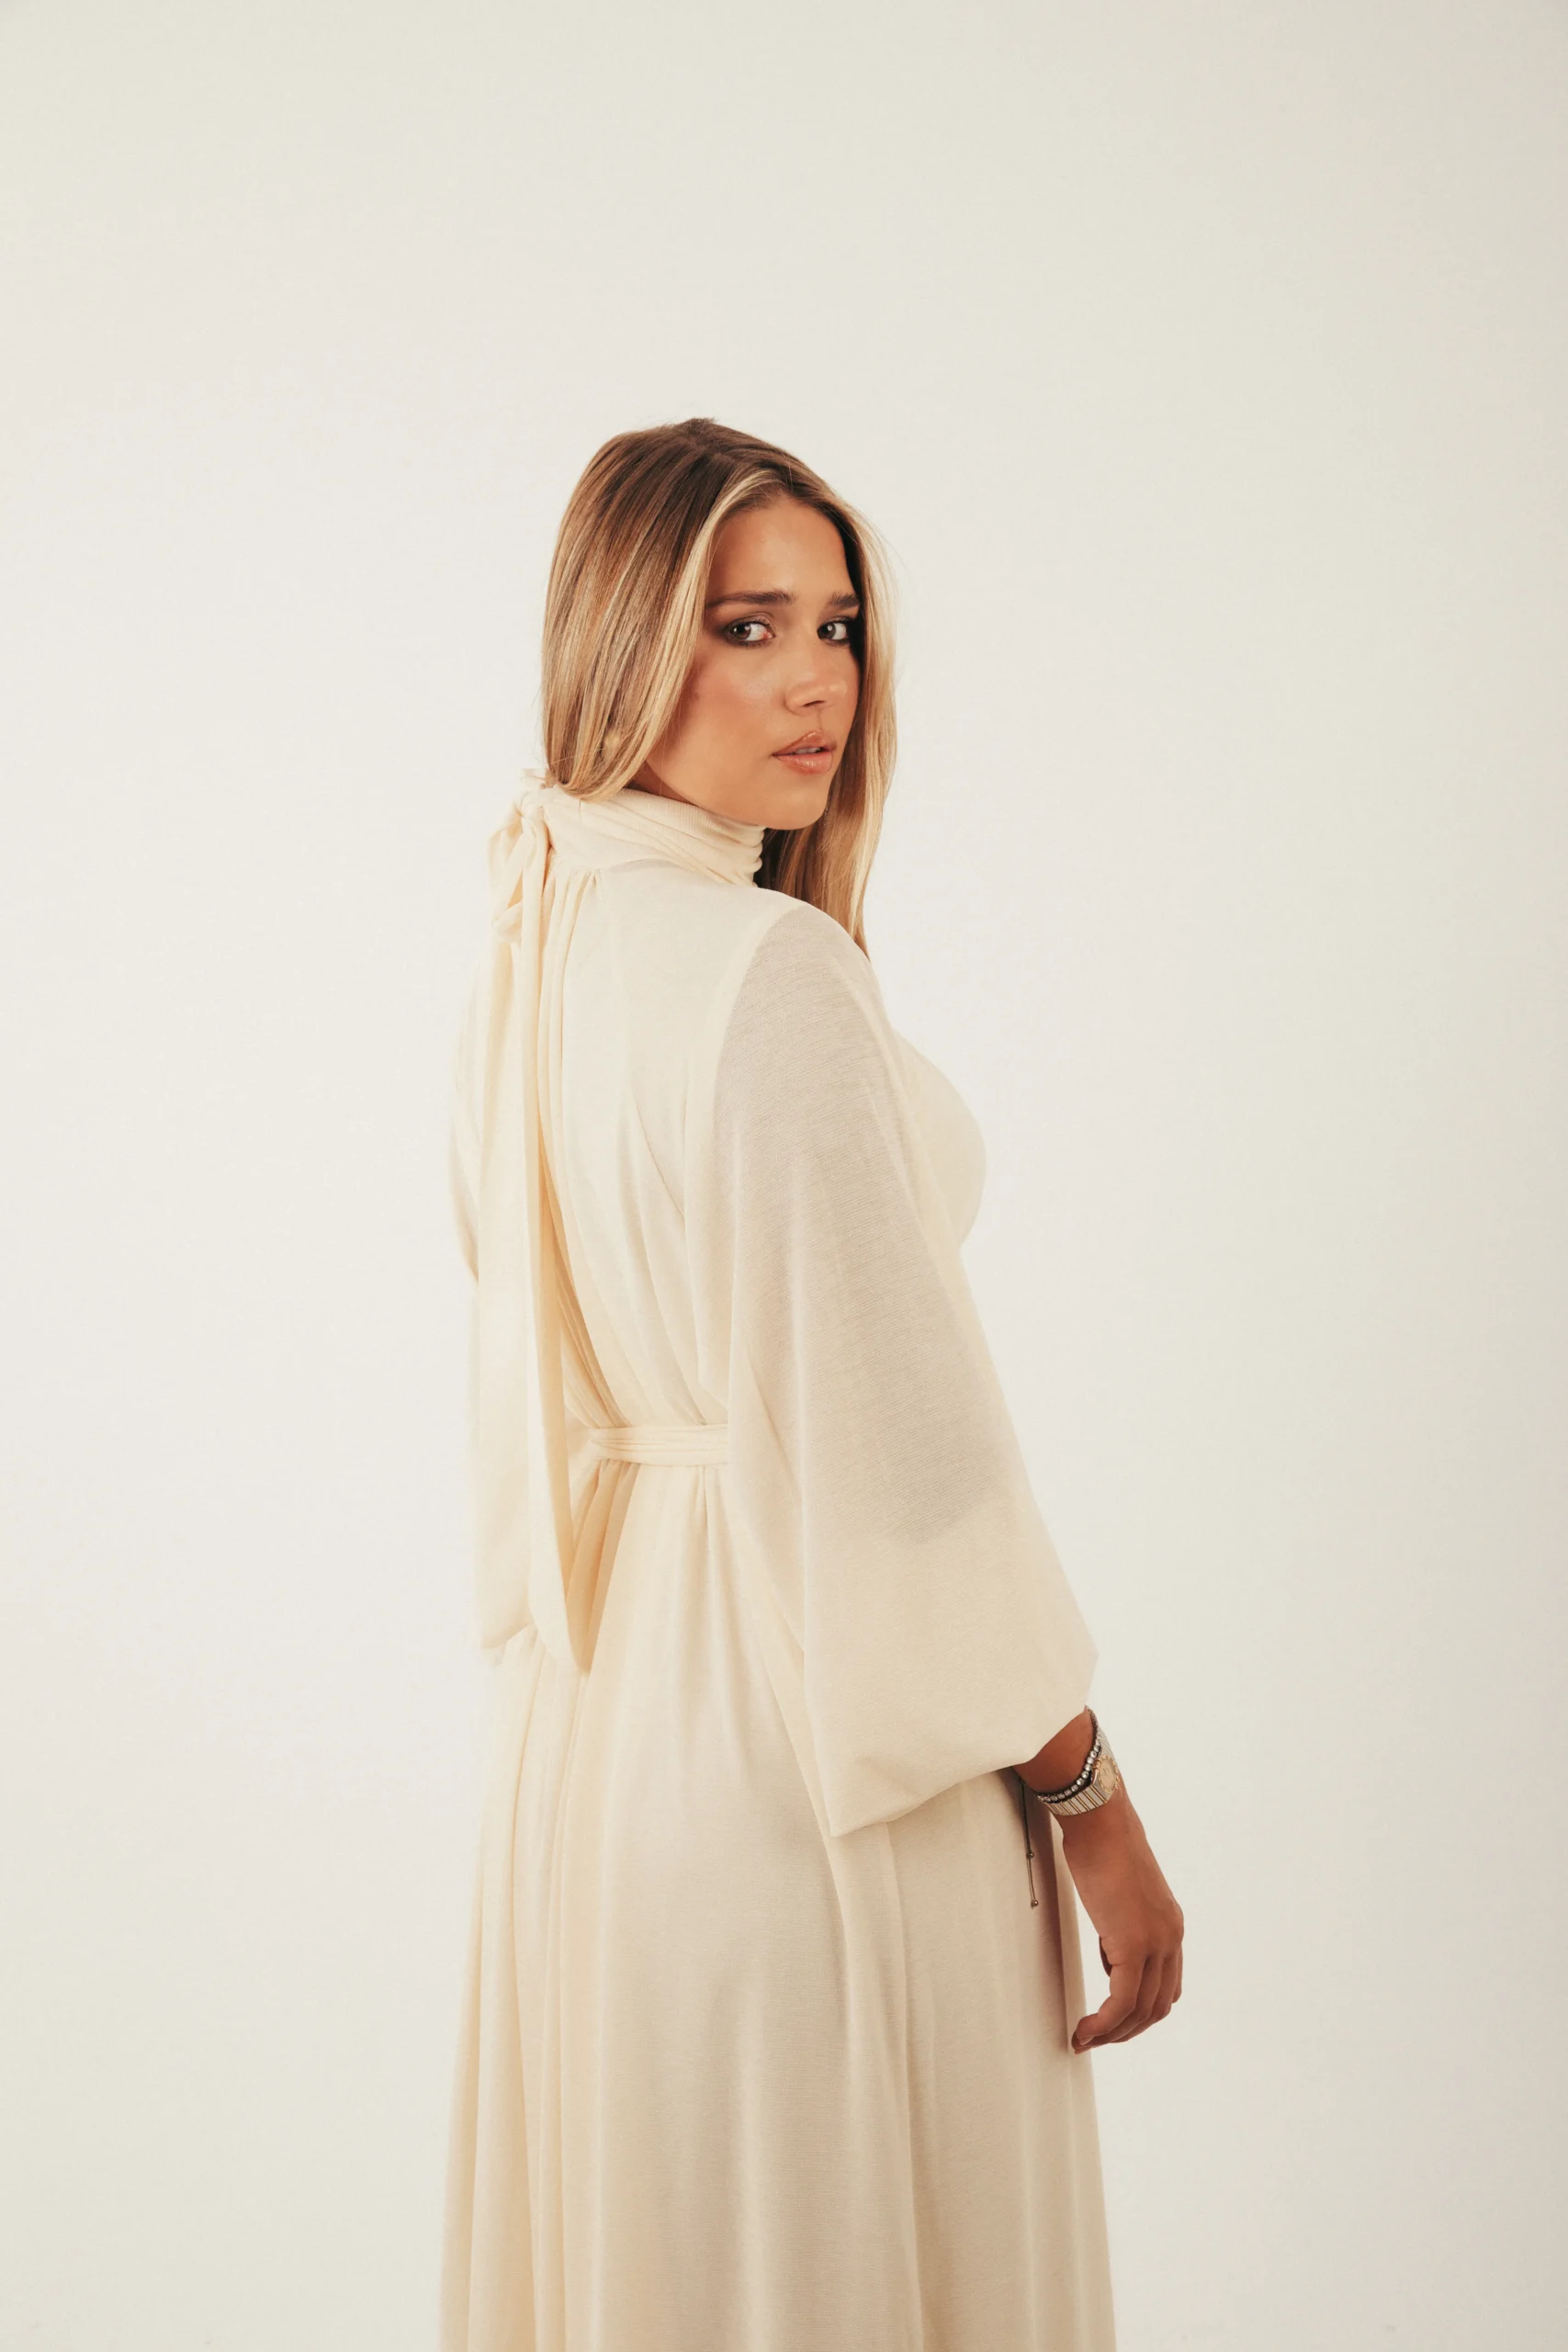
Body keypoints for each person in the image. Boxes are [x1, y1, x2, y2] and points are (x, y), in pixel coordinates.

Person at [440, 416, 1183, 2352]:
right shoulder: (763, 972)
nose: (813, 681)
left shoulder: (536, 948)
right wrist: (1090, 1797)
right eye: (743, 624)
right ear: (620, 642)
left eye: (834, 624)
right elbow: (904, 1462)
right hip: (809, 1752)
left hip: (598, 1755)